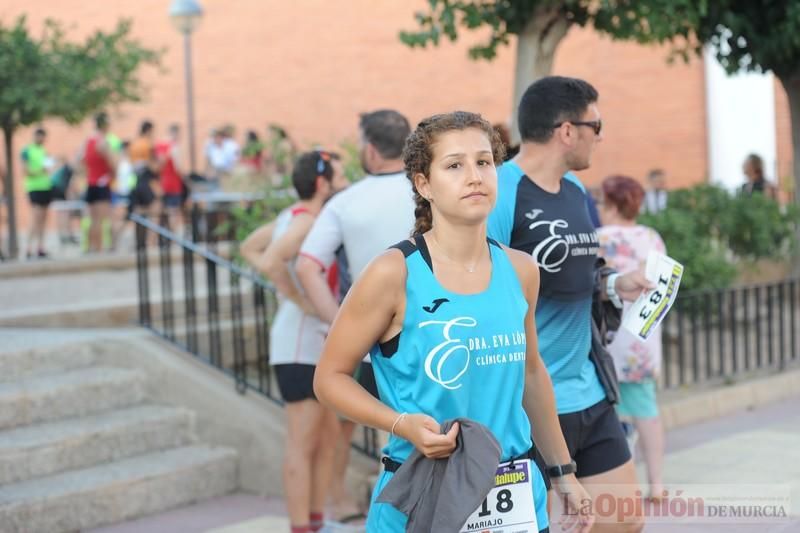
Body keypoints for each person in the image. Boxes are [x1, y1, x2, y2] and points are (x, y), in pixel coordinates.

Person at [314, 111, 593, 533]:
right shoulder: (394, 273)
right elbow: (329, 378)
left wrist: (563, 471)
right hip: (421, 493)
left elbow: (532, 374)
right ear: (423, 183)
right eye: (454, 165)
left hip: (514, 495)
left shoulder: (521, 269)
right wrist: (400, 423)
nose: (475, 176)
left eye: (484, 162)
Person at [488, 76, 650, 532]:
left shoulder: (577, 193)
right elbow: (479, 287)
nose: (600, 137)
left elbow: (583, 273)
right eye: (596, 126)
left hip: (588, 392)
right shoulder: (501, 191)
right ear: (566, 130)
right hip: (526, 403)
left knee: (623, 521)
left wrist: (618, 284)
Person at [295, 109, 415, 523]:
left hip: (371, 338)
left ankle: (349, 505)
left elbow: (307, 265)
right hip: (435, 330)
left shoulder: (345, 202)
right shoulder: (427, 189)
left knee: (366, 431)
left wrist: (337, 321)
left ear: (369, 148)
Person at [240, 150, 349, 533]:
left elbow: (249, 247)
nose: (346, 182)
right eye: (339, 176)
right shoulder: (307, 221)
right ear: (322, 184)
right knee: (303, 440)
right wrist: (299, 298)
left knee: (328, 435)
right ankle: (302, 526)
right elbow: (269, 260)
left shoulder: (296, 215)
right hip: (301, 341)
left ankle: (316, 521)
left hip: (309, 338)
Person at [597, 175, 666, 502]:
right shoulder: (651, 237)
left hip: (607, 339)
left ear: (610, 204)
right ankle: (657, 483)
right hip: (642, 339)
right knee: (647, 410)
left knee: (610, 415)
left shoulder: (598, 238)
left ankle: (623, 486)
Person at [82, 112, 115, 252]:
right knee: (103, 219)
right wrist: (113, 175)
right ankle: (100, 248)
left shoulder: (88, 141)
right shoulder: (102, 142)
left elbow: (81, 161)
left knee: (93, 218)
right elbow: (113, 163)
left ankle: (91, 247)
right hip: (102, 183)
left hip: (91, 182)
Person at [21, 128, 53, 258]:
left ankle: (40, 247)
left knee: (44, 219)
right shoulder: (27, 151)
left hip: (46, 186)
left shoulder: (44, 151)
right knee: (36, 217)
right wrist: (41, 170)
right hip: (34, 187)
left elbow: (49, 169)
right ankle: (28, 247)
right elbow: (26, 171)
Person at [156, 124, 186, 230]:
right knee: (174, 211)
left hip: (163, 182)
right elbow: (178, 168)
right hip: (174, 183)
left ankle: (157, 240)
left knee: (162, 212)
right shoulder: (174, 146)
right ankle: (173, 237)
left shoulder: (160, 145)